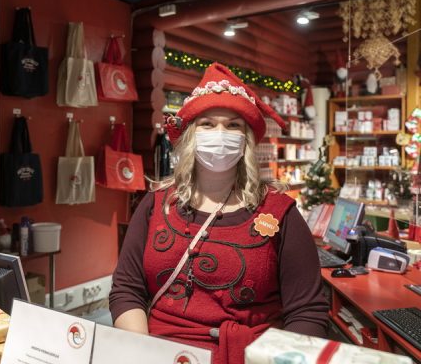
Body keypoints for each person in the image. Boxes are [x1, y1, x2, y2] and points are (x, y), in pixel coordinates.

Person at [109, 63, 328, 364]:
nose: (220, 134)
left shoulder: (280, 213)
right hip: (159, 355)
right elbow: (126, 289)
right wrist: (142, 353)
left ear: (247, 139)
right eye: (207, 124)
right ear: (190, 134)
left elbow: (307, 313)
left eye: (233, 125)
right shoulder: (157, 204)